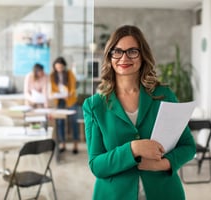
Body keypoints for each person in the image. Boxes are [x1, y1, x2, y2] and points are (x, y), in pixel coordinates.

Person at [82, 25, 196, 200]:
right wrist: (133, 149)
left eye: (132, 51)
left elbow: (188, 146)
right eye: (117, 51)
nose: (124, 57)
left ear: (142, 55)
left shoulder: (164, 96)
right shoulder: (94, 105)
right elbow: (96, 165)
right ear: (109, 56)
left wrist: (163, 164)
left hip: (164, 193)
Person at [50, 56, 79, 154]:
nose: (59, 69)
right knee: (60, 122)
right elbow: (52, 90)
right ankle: (63, 144)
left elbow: (73, 87)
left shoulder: (69, 73)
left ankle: (75, 144)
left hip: (71, 100)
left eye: (61, 67)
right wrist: (60, 96)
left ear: (64, 67)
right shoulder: (52, 76)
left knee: (74, 121)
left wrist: (69, 93)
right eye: (57, 68)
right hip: (59, 100)